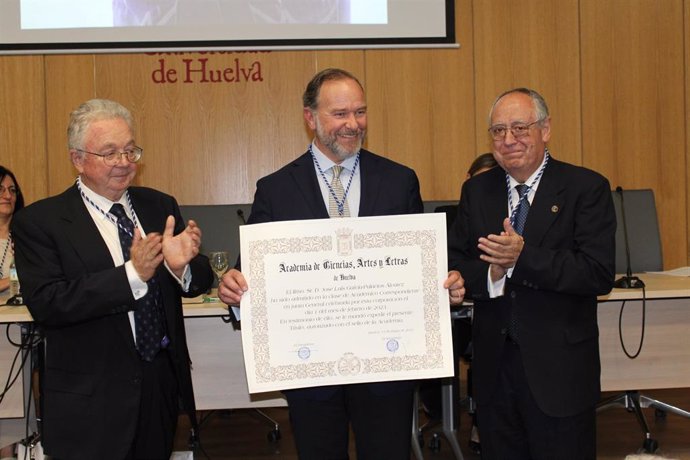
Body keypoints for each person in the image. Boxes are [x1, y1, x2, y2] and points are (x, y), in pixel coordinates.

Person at [218, 67, 465, 459]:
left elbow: (425, 267)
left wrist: (447, 284)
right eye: (340, 114)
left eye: (360, 112)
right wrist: (233, 288)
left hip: (386, 367)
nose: (353, 124)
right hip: (310, 370)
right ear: (310, 117)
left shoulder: (399, 181)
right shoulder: (276, 189)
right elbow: (247, 272)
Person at [11, 99, 214, 460]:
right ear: (78, 159)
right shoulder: (41, 221)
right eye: (110, 153)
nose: (124, 162)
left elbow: (199, 279)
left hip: (159, 387)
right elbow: (48, 304)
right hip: (90, 398)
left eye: (130, 150)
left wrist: (181, 267)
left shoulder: (159, 205)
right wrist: (133, 274)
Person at [448, 88, 616, 459]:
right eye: (498, 131)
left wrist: (522, 259)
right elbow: (458, 262)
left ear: (546, 129)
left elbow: (597, 272)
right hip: (493, 371)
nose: (508, 140)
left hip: (561, 372)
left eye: (520, 128)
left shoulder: (585, 188)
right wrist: (488, 274)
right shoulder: (477, 190)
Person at [0, 166, 24, 294]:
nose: (8, 196)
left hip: (23, 312)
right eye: (0, 189)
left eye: (12, 190)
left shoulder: (28, 235)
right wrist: (17, 278)